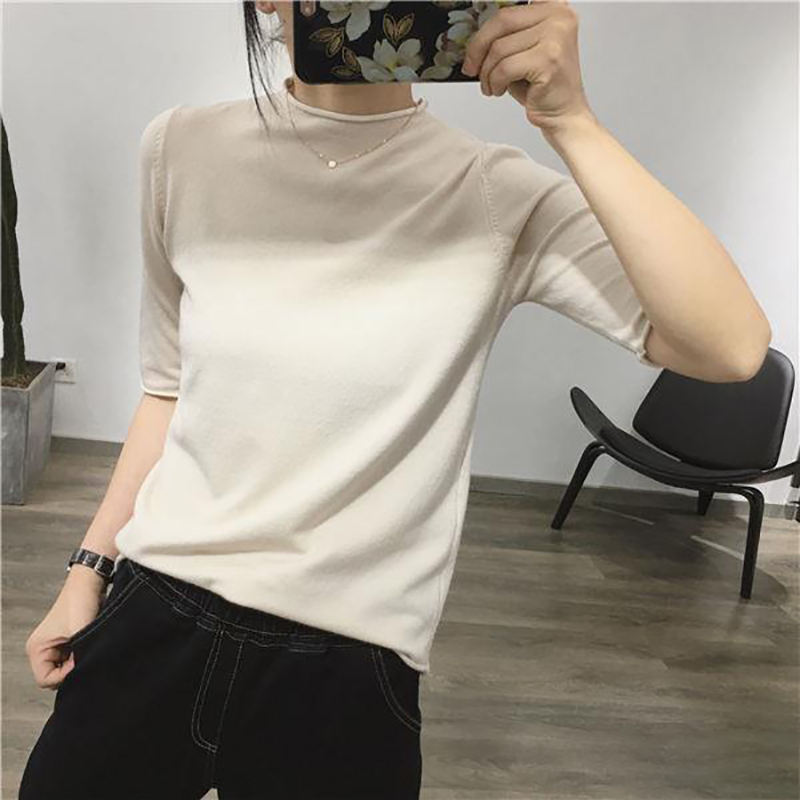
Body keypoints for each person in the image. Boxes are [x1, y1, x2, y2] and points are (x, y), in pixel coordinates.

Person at [18, 2, 771, 798]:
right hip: (155, 611)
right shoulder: (181, 147)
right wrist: (88, 571)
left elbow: (729, 347)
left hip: (348, 665)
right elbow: (167, 391)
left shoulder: (495, 193)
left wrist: (572, 121)